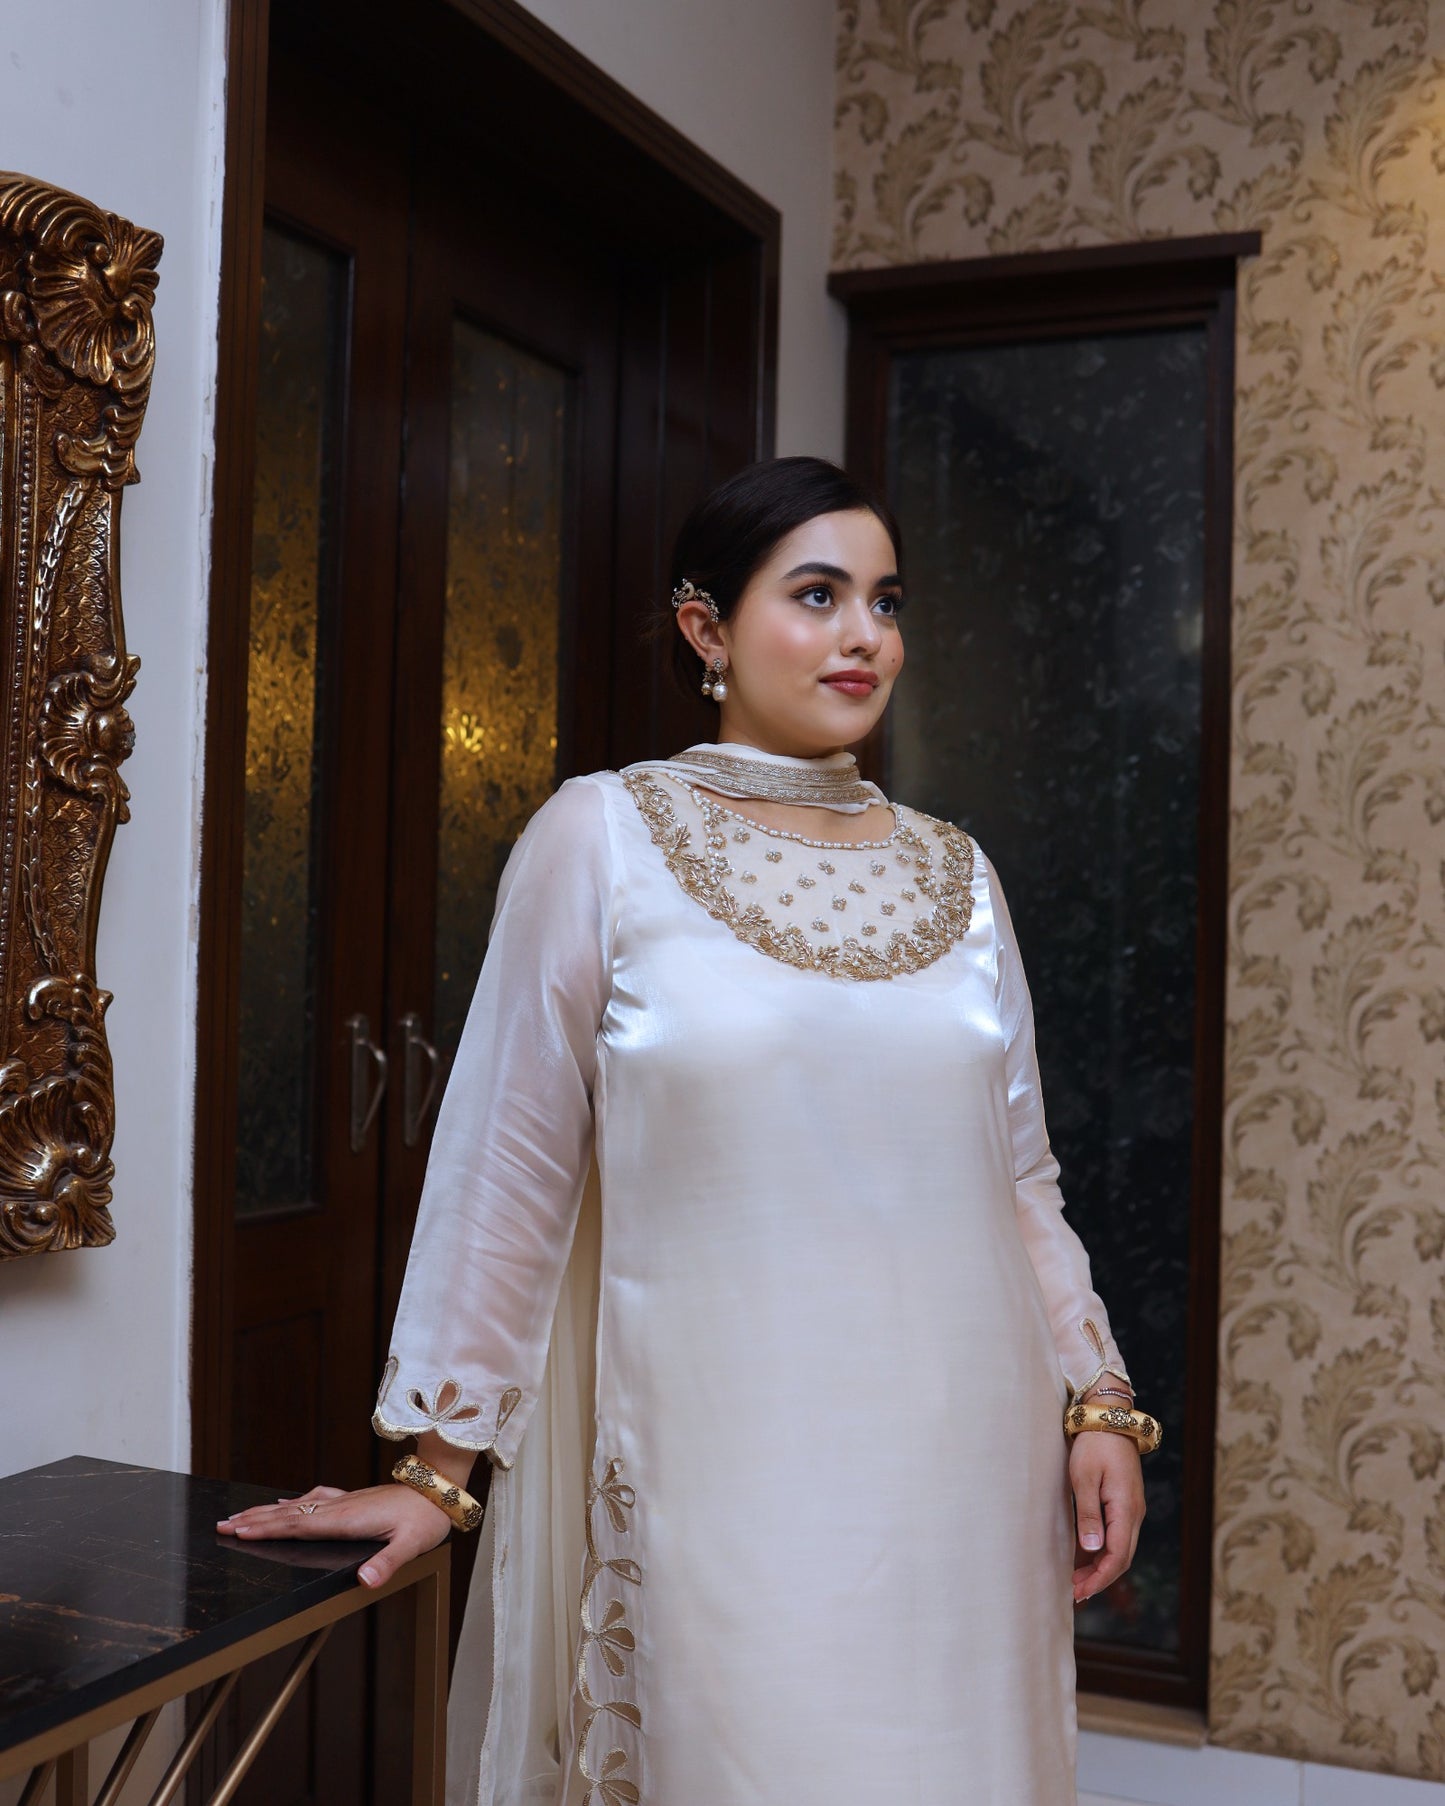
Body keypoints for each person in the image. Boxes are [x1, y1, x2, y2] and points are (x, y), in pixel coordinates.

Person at [218, 457, 1154, 1806]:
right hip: (726, 1467)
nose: (863, 636)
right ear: (705, 626)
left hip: (969, 1473)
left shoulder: (958, 876)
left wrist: (1097, 1401)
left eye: (884, 601)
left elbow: (1018, 1178)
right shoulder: (601, 838)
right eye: (817, 595)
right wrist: (437, 1468)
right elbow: (511, 1164)